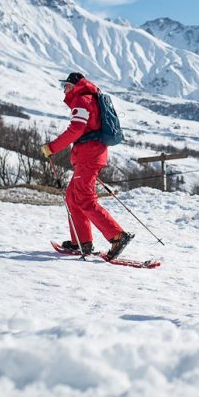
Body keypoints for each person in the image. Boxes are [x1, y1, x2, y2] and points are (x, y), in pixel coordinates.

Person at [41, 72, 132, 260]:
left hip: (89, 156)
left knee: (84, 198)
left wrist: (52, 147)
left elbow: (76, 129)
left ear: (75, 86)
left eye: (66, 85)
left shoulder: (82, 100)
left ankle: (117, 236)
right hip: (89, 155)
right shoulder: (87, 98)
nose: (64, 89)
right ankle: (81, 242)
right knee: (72, 196)